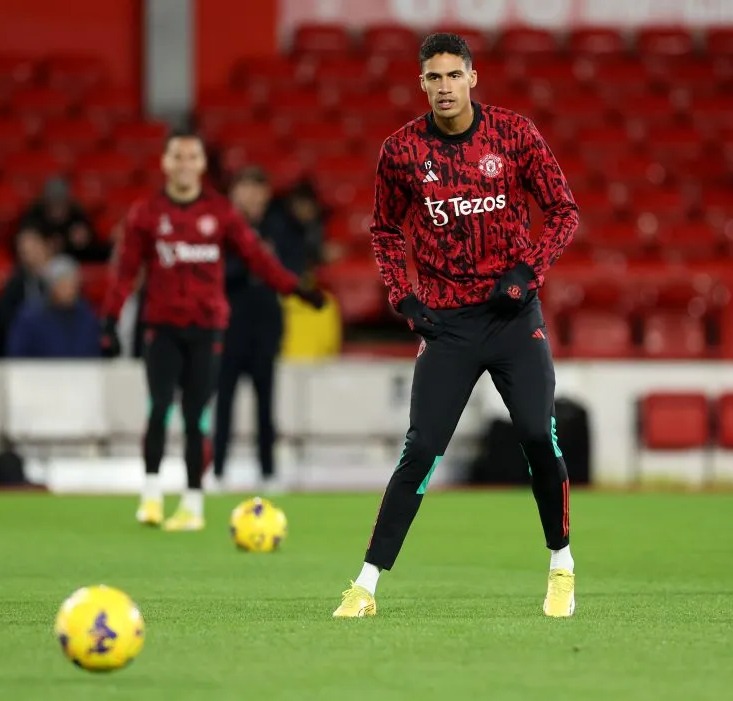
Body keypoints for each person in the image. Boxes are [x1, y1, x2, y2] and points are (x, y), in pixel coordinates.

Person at [332, 33, 579, 619]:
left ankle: (561, 566)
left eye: (452, 76)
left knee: (534, 435)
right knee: (421, 451)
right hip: (446, 325)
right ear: (421, 84)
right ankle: (364, 586)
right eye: (432, 78)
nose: (443, 88)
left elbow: (564, 212)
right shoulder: (400, 152)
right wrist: (403, 296)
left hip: (513, 318)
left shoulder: (514, 135)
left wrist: (528, 269)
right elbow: (385, 230)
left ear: (472, 77)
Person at [100, 129, 326, 532]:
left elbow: (258, 259)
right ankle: (151, 496)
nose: (184, 164)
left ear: (202, 165)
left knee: (196, 415)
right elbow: (126, 271)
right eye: (177, 157)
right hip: (161, 325)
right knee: (158, 409)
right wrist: (111, 318)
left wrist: (296, 290)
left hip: (207, 328)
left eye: (192, 157)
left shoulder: (221, 213)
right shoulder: (146, 213)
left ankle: (192, 503)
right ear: (165, 163)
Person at [212, 166, 303, 494]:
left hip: (266, 326)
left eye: (257, 190)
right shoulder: (221, 229)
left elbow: (295, 271)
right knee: (224, 402)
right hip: (230, 326)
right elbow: (214, 273)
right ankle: (217, 471)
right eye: (246, 189)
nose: (252, 197)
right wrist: (253, 260)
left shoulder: (278, 227)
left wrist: (272, 262)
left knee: (266, 405)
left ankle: (268, 471)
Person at [6, 255, 101, 359]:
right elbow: (18, 356)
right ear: (51, 286)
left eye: (73, 283)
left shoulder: (86, 316)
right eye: (63, 284)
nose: (69, 290)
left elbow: (94, 353)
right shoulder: (30, 318)